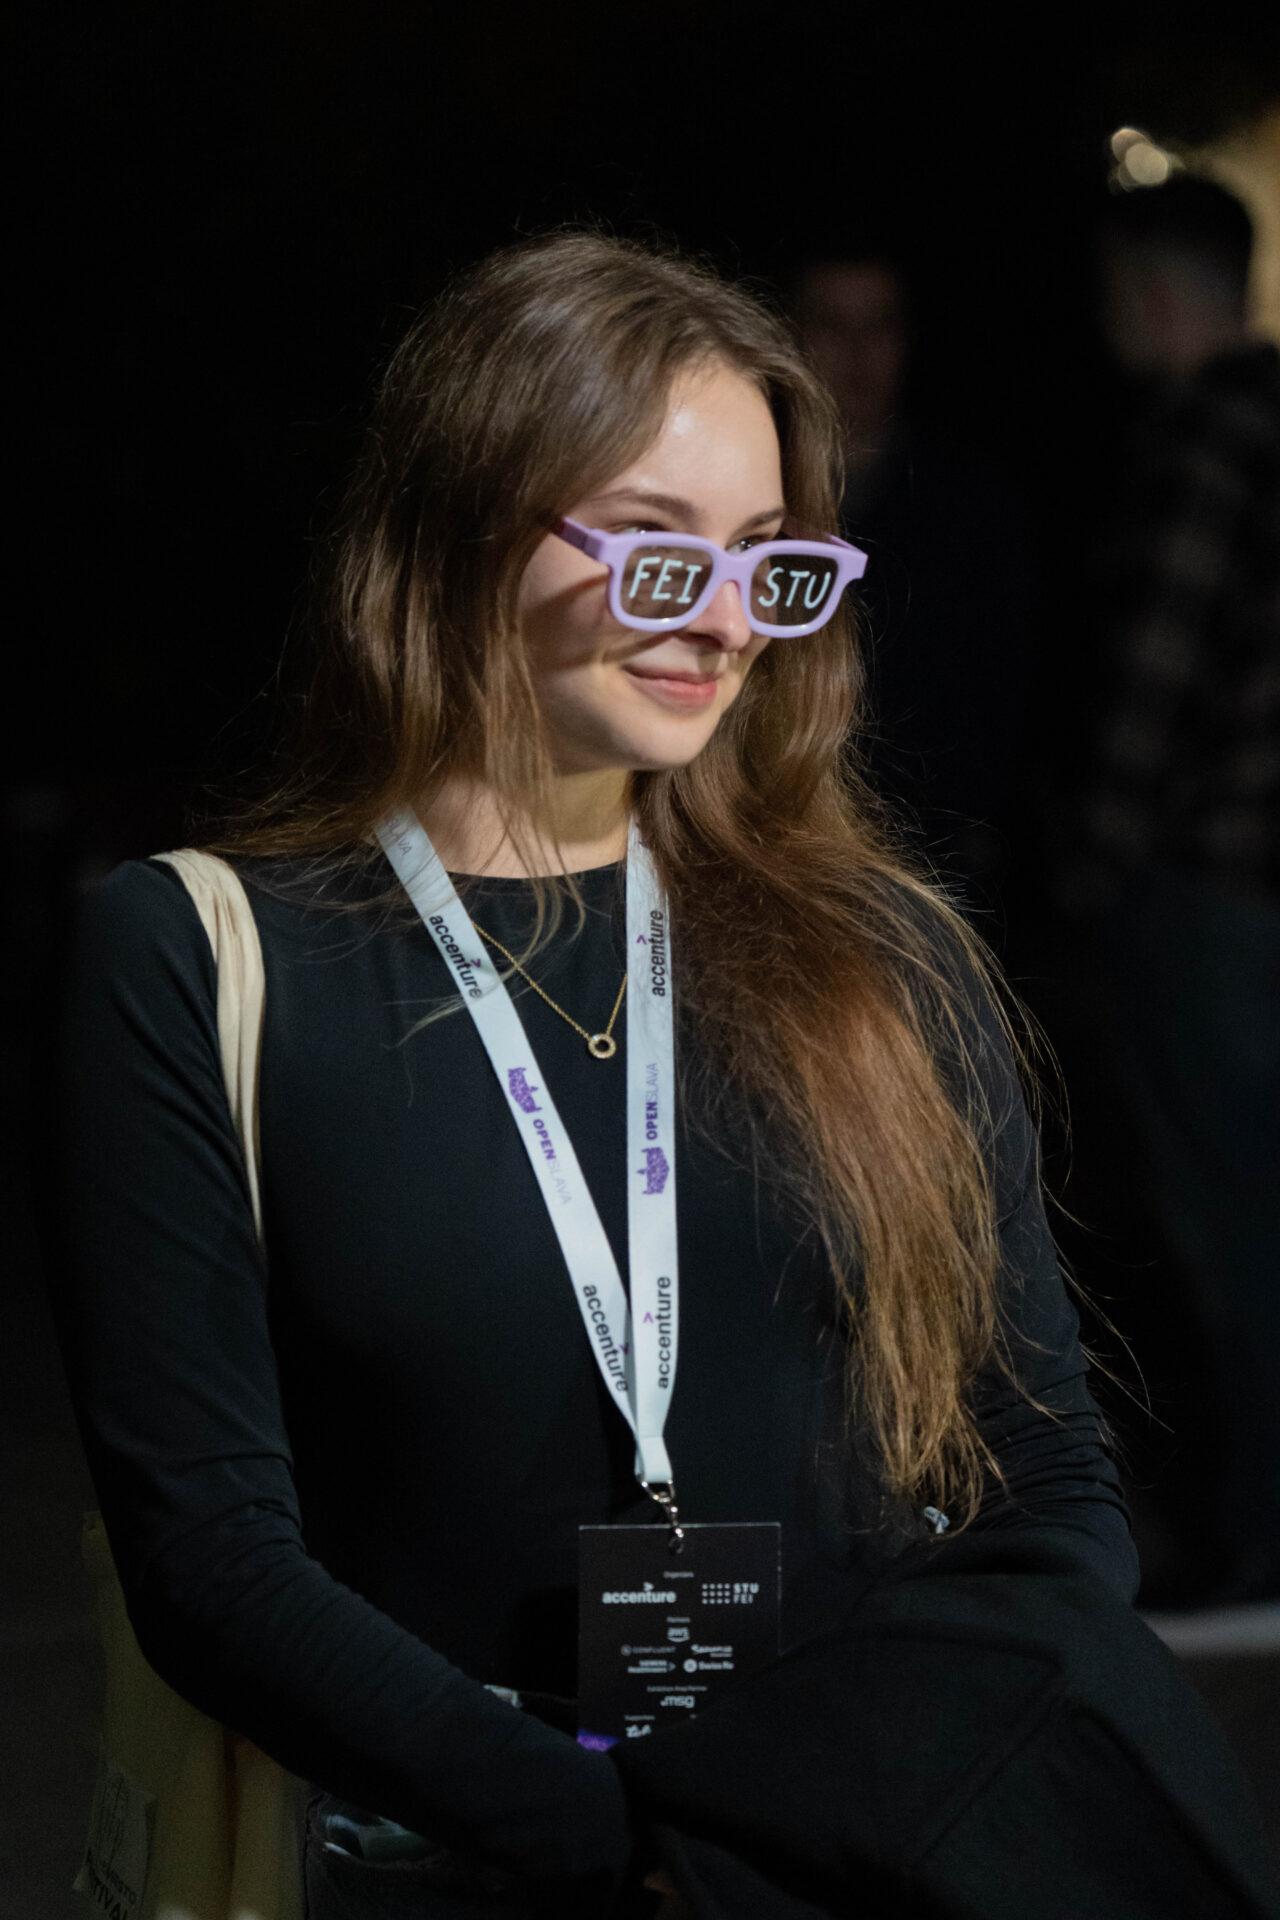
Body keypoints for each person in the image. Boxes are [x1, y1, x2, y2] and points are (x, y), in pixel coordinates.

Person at [46, 232, 1278, 1918]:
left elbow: (1045, 1472)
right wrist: (617, 1842)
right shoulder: (195, 957)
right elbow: (211, 1562)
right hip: (445, 1876)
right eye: (652, 552)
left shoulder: (881, 956)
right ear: (464, 522)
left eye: (769, 563)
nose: (722, 620)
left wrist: (846, 1808)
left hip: (841, 1870)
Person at [1067, 175, 1280, 1609]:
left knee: (1226, 1232)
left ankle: (1255, 1540)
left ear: (1149, 292)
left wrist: (1086, 867)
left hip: (1205, 891)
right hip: (1256, 882)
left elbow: (1151, 670)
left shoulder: (1208, 433)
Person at [791, 251, 1037, 920]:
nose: (858, 352)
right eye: (832, 325)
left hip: (936, 858)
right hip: (781, 835)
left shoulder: (968, 508)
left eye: (881, 326)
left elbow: (1006, 689)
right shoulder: (755, 498)